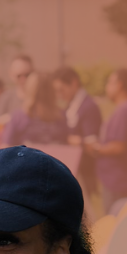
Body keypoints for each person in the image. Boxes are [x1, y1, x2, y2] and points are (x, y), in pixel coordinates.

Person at [86, 67, 127, 211]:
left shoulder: (124, 111)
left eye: (109, 83)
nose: (107, 87)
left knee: (115, 224)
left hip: (118, 182)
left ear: (119, 85)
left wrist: (94, 148)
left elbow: (119, 146)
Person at [52, 66, 102, 197]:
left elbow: (92, 145)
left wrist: (67, 138)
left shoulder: (88, 107)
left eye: (61, 90)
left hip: (85, 172)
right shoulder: (72, 105)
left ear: (74, 83)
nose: (60, 95)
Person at [2, 71, 68, 146]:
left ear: (29, 90)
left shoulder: (18, 116)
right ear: (51, 91)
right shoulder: (61, 116)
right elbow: (65, 146)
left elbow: (6, 147)